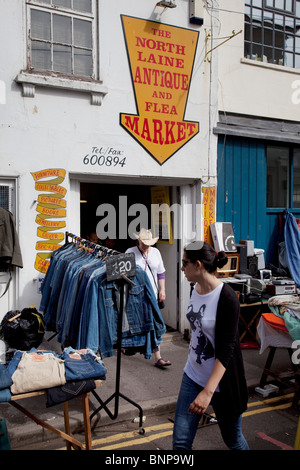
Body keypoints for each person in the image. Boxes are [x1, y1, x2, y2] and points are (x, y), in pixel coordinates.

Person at [173, 241, 249, 450]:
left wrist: (208, 392)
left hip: (221, 384)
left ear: (198, 265)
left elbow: (227, 350)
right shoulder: (194, 288)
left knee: (233, 439)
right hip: (192, 376)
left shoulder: (227, 298)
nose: (181, 268)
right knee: (180, 443)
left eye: (184, 263)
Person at [125, 228, 171, 368]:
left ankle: (158, 356)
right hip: (135, 295)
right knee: (134, 322)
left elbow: (161, 273)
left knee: (153, 324)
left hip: (152, 294)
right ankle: (129, 346)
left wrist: (162, 290)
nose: (146, 246)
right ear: (138, 241)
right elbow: (124, 275)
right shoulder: (130, 252)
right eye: (144, 243)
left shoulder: (155, 252)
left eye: (149, 243)